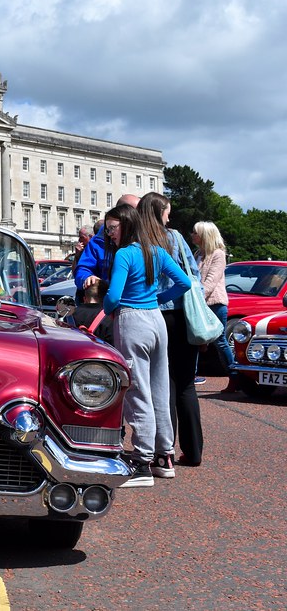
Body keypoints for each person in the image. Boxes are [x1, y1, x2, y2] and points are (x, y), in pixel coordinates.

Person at [101, 203, 191, 488]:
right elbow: (185, 282)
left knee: (137, 390)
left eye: (112, 228)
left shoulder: (125, 254)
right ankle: (164, 456)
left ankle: (141, 460)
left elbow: (114, 296)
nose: (109, 233)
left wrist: (106, 308)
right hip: (156, 320)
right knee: (160, 389)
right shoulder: (156, 251)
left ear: (125, 226)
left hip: (132, 319)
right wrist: (160, 297)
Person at [138, 192, 204, 469]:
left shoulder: (139, 241)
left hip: (154, 315)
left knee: (163, 385)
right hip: (182, 314)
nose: (170, 216)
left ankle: (164, 451)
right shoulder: (175, 238)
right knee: (186, 385)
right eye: (167, 211)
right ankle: (194, 451)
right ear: (159, 212)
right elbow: (193, 276)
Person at [192, 220, 236, 392]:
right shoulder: (197, 254)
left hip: (214, 304)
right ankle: (191, 376)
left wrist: (196, 300)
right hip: (200, 304)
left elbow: (210, 282)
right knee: (193, 340)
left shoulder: (218, 254)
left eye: (195, 232)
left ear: (204, 235)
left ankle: (234, 376)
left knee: (220, 342)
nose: (193, 235)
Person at [75, 194, 140, 303]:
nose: (140, 216)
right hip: (107, 309)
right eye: (136, 211)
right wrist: (87, 278)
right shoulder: (98, 242)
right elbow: (83, 270)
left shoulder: (146, 242)